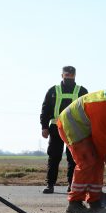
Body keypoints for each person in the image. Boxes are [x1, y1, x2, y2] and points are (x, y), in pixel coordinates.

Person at [40, 66, 88, 194]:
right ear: (62, 75)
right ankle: (50, 184)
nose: (69, 77)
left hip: (75, 129)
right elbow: (45, 109)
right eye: (67, 75)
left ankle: (72, 185)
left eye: (71, 76)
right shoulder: (53, 90)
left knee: (73, 158)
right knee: (54, 157)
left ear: (75, 76)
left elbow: (88, 111)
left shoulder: (82, 91)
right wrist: (44, 127)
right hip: (56, 128)